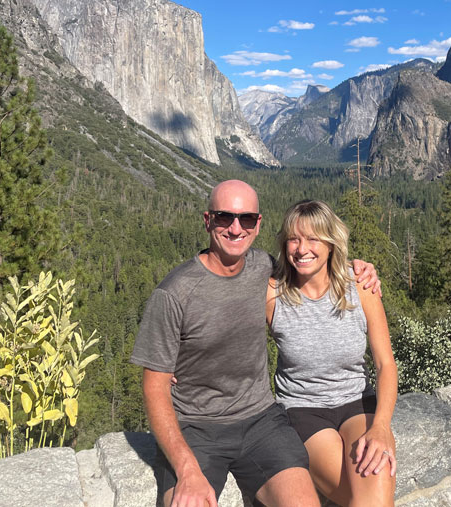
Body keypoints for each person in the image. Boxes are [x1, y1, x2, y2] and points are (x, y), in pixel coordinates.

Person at [131, 180, 380, 507]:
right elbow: (154, 387)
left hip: (262, 423)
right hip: (195, 429)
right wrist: (186, 466)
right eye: (224, 218)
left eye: (246, 219)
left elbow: (310, 267)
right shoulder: (173, 293)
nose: (235, 228)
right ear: (208, 221)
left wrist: (355, 268)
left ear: (258, 224)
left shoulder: (265, 269)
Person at [267, 200, 397, 507]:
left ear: (331, 244)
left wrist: (381, 426)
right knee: (365, 496)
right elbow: (223, 318)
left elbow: (385, 363)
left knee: (373, 477)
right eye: (294, 239)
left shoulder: (359, 286)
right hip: (302, 412)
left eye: (313, 239)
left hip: (358, 404)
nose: (302, 249)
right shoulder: (273, 294)